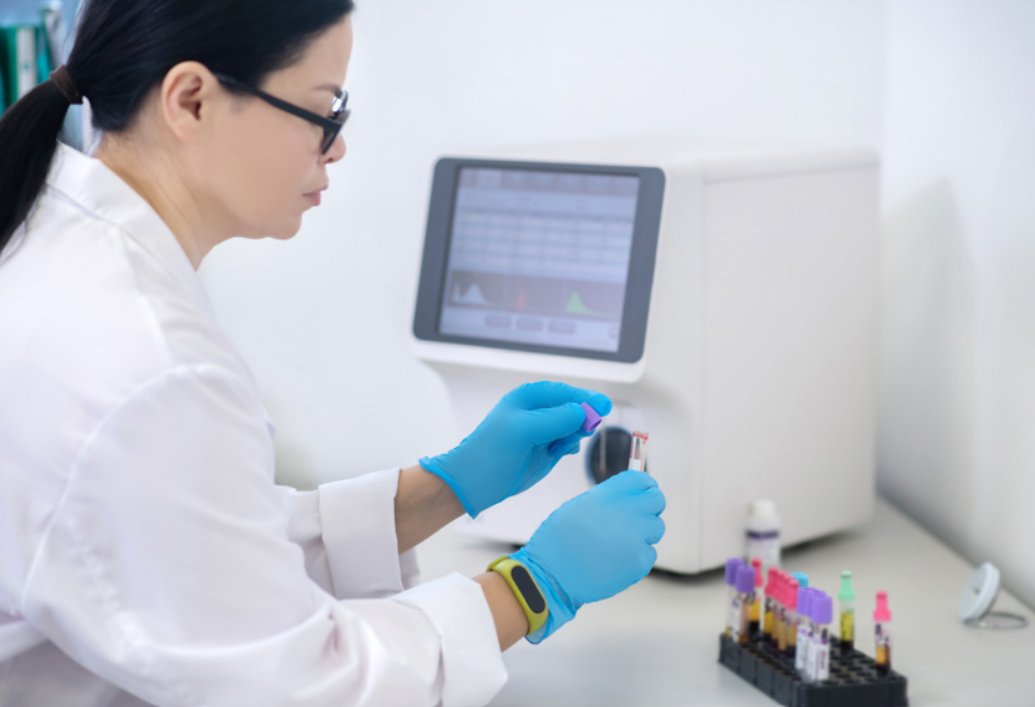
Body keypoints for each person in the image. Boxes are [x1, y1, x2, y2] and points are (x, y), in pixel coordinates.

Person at [0, 1, 667, 705]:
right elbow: (294, 684)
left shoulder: (61, 240)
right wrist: (532, 586)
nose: (337, 146)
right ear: (191, 100)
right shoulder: (151, 362)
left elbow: (189, 549)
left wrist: (444, 488)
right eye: (326, 110)